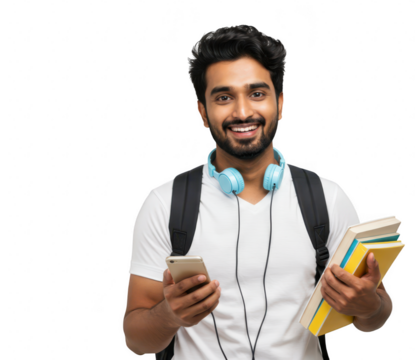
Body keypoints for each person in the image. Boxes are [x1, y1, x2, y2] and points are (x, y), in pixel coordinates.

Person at [122, 24, 393, 359]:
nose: (242, 112)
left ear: (280, 103)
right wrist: (170, 315)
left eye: (257, 93)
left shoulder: (328, 198)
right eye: (223, 97)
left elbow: (374, 317)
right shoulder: (164, 204)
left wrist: (368, 306)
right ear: (203, 113)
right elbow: (136, 340)